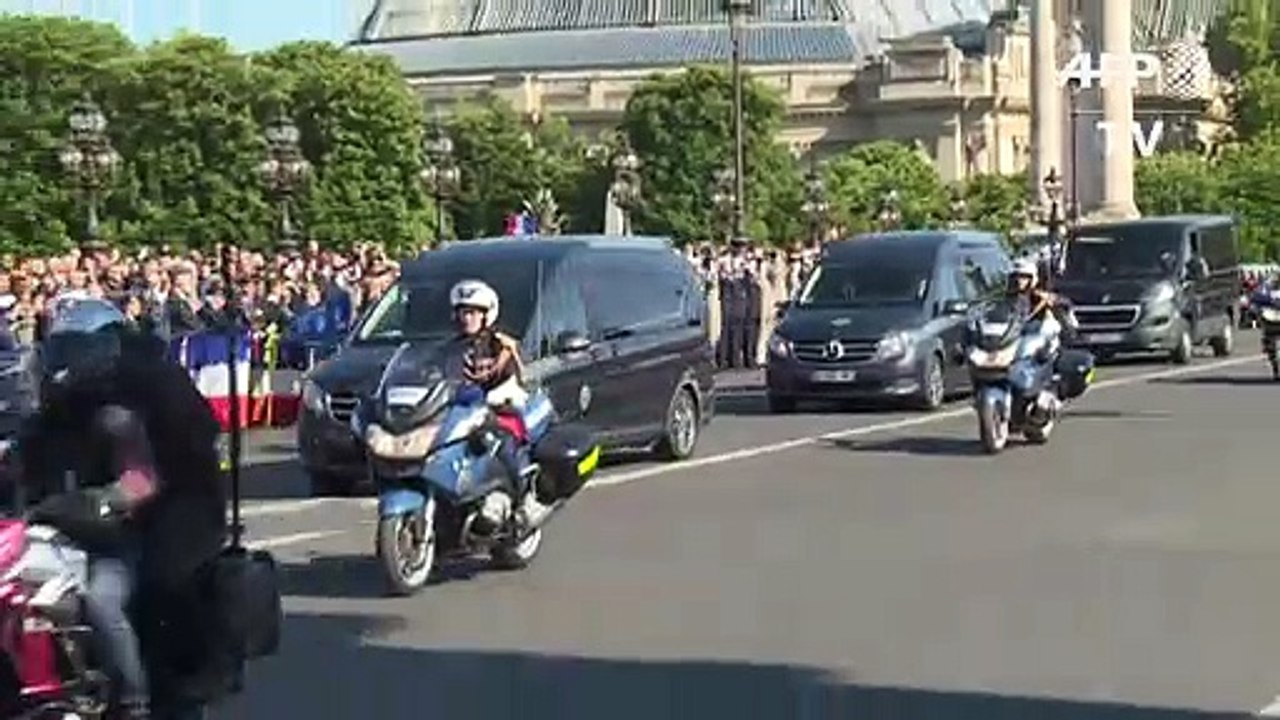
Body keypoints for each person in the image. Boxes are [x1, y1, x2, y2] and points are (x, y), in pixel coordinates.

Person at [11, 296, 226, 719]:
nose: (68, 359)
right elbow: (25, 459)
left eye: (78, 347)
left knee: (128, 596)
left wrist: (93, 503)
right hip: (67, 530)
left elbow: (142, 478)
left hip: (144, 524)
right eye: (63, 347)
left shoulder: (136, 400)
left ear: (105, 345)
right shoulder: (59, 405)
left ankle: (138, 699)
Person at [440, 279, 530, 509]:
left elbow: (519, 375)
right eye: (462, 312)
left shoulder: (500, 343)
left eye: (472, 313)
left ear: (485, 315)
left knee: (502, 445)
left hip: (500, 411)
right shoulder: (450, 347)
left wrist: (504, 392)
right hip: (463, 413)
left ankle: (519, 499)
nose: (466, 318)